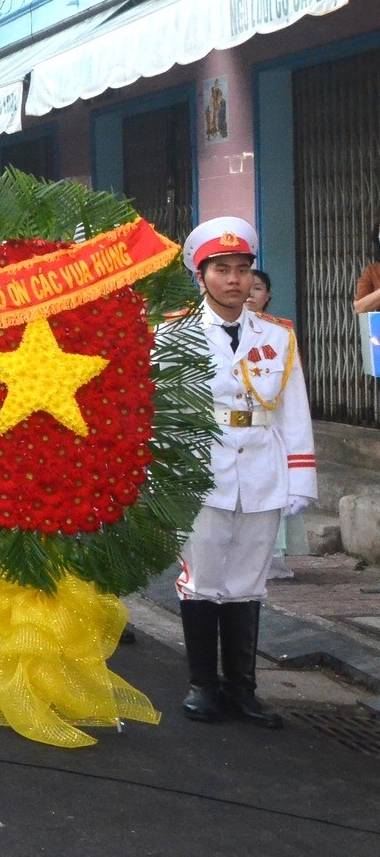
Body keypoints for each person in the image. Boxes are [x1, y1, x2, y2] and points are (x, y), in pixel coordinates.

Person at [172, 217, 315, 729]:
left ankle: (243, 689)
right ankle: (202, 686)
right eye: (222, 270)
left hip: (262, 465)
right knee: (203, 579)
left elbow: (293, 408)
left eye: (242, 269)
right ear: (201, 275)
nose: (234, 280)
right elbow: (160, 409)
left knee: (249, 582)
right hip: (201, 467)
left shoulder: (276, 336)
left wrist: (301, 477)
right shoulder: (174, 332)